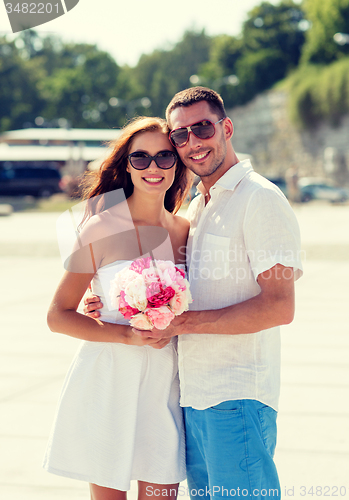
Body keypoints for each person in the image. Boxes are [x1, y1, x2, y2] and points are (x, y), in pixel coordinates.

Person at [84, 87, 303, 500]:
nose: (192, 142)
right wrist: (108, 302)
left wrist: (180, 323)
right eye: (179, 136)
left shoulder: (260, 199)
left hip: (236, 399)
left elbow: (280, 307)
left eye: (202, 128)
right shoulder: (197, 210)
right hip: (192, 398)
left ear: (227, 127)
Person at [43, 116, 194, 500]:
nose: (154, 167)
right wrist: (123, 332)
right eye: (140, 158)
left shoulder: (184, 232)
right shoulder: (99, 228)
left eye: (164, 156)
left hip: (165, 384)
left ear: (177, 162)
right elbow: (58, 315)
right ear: (126, 165)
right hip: (108, 379)